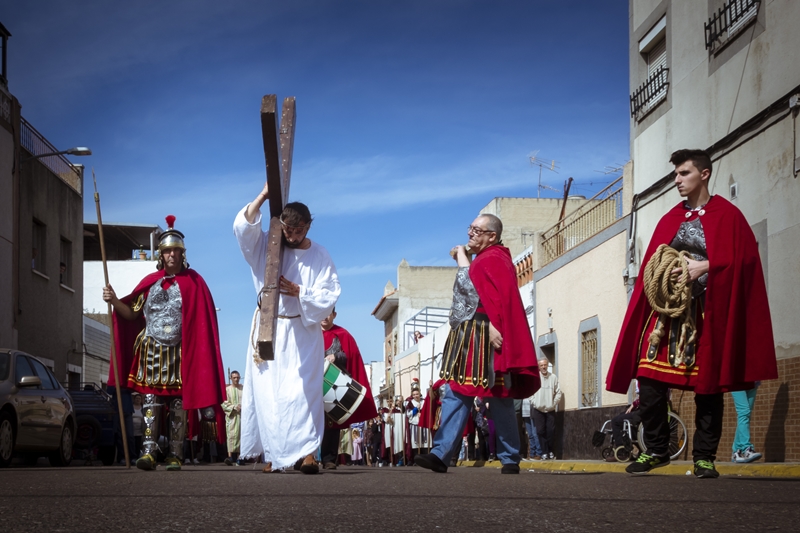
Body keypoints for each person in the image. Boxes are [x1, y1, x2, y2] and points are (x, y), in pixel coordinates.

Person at [606, 149, 778, 478]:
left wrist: (708, 265)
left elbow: (746, 260)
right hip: (666, 316)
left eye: (684, 173)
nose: (677, 180)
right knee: (649, 381)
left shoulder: (728, 216)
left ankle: (703, 457)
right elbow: (652, 263)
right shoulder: (670, 218)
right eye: (675, 175)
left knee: (707, 387)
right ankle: (657, 449)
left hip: (707, 314)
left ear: (704, 174)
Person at [415, 213, 540, 475]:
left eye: (476, 230)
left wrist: (496, 324)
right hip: (471, 336)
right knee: (457, 391)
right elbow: (475, 289)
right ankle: (441, 454)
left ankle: (509, 457)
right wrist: (465, 256)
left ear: (491, 236)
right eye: (470, 228)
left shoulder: (494, 258)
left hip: (488, 334)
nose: (470, 233)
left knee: (499, 396)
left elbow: (492, 295)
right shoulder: (484, 258)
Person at [103, 215, 227, 472]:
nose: (172, 255)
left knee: (179, 403)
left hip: (182, 353)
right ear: (161, 255)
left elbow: (202, 324)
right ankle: (148, 452)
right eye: (167, 251)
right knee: (150, 400)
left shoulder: (195, 282)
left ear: (183, 254)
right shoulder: (150, 284)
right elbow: (131, 314)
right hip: (151, 351)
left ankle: (175, 453)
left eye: (176, 251)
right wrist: (114, 300)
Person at [234, 181, 340, 474]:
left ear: (308, 226)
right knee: (269, 394)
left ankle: (307, 453)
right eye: (287, 230)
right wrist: (263, 195)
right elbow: (243, 230)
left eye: (299, 230)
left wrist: (300, 292)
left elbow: (330, 293)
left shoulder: (320, 255)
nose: (292, 236)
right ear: (280, 225)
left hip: (302, 332)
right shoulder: (267, 247)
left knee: (302, 392)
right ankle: (274, 454)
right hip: (269, 328)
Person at [320, 308, 377, 469]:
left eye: (328, 312)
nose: (325, 316)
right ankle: (303, 457)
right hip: (313, 384)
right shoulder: (310, 332)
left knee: (332, 423)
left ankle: (329, 459)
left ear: (334, 315)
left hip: (334, 387)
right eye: (322, 312)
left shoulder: (342, 334)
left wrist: (336, 356)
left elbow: (351, 355)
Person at [531, 357, 562, 460]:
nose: (544, 367)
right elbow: (530, 392)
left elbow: (558, 392)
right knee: (540, 431)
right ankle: (544, 452)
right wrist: (534, 402)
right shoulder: (535, 377)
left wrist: (553, 404)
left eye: (545, 365)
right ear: (539, 367)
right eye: (541, 365)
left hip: (550, 409)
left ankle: (550, 451)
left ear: (547, 365)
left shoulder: (553, 377)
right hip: (538, 409)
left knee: (550, 432)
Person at [731, 384, 762, 463]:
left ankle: (736, 452)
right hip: (737, 380)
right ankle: (746, 448)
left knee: (746, 415)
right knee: (744, 412)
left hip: (753, 380)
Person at [610, 392, 641, 461]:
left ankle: (622, 451)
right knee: (619, 417)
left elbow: (643, 399)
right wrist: (632, 407)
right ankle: (630, 446)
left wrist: (633, 405)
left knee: (616, 422)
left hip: (642, 411)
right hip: (639, 409)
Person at [222, 370, 244, 466]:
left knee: (241, 436)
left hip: (242, 416)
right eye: (234, 378)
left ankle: (239, 457)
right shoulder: (227, 390)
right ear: (231, 378)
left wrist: (243, 407)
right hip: (232, 416)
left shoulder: (243, 388)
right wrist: (234, 407)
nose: (236, 379)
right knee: (231, 436)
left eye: (238, 377)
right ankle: (230, 457)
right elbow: (224, 403)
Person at [405, 381, 430, 463]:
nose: (416, 396)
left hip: (424, 425)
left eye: (417, 394)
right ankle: (417, 460)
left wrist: (422, 414)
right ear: (412, 395)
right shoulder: (410, 403)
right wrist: (415, 410)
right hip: (415, 425)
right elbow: (408, 414)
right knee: (416, 443)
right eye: (414, 394)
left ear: (420, 394)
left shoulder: (424, 401)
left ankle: (426, 460)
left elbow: (428, 411)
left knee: (425, 443)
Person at [521, 392, 543, 460]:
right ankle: (531, 454)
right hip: (525, 413)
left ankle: (538, 453)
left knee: (534, 433)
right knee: (530, 435)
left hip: (532, 412)